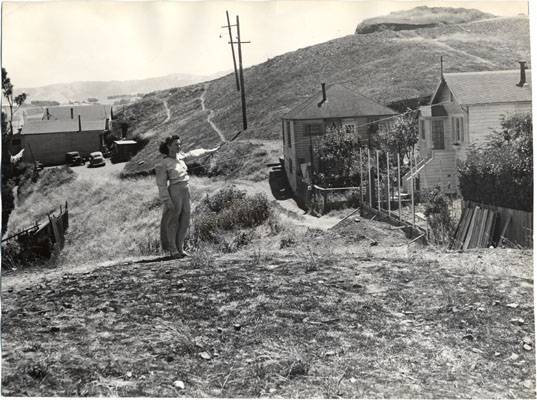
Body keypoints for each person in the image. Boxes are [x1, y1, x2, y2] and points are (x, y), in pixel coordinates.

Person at [156, 135, 220, 258]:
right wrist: (167, 201)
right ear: (168, 146)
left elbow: (194, 153)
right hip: (175, 191)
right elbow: (161, 185)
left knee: (185, 219)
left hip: (186, 189)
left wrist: (211, 151)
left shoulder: (181, 157)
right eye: (176, 144)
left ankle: (180, 248)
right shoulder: (164, 163)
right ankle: (173, 249)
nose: (179, 146)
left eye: (179, 144)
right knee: (173, 219)